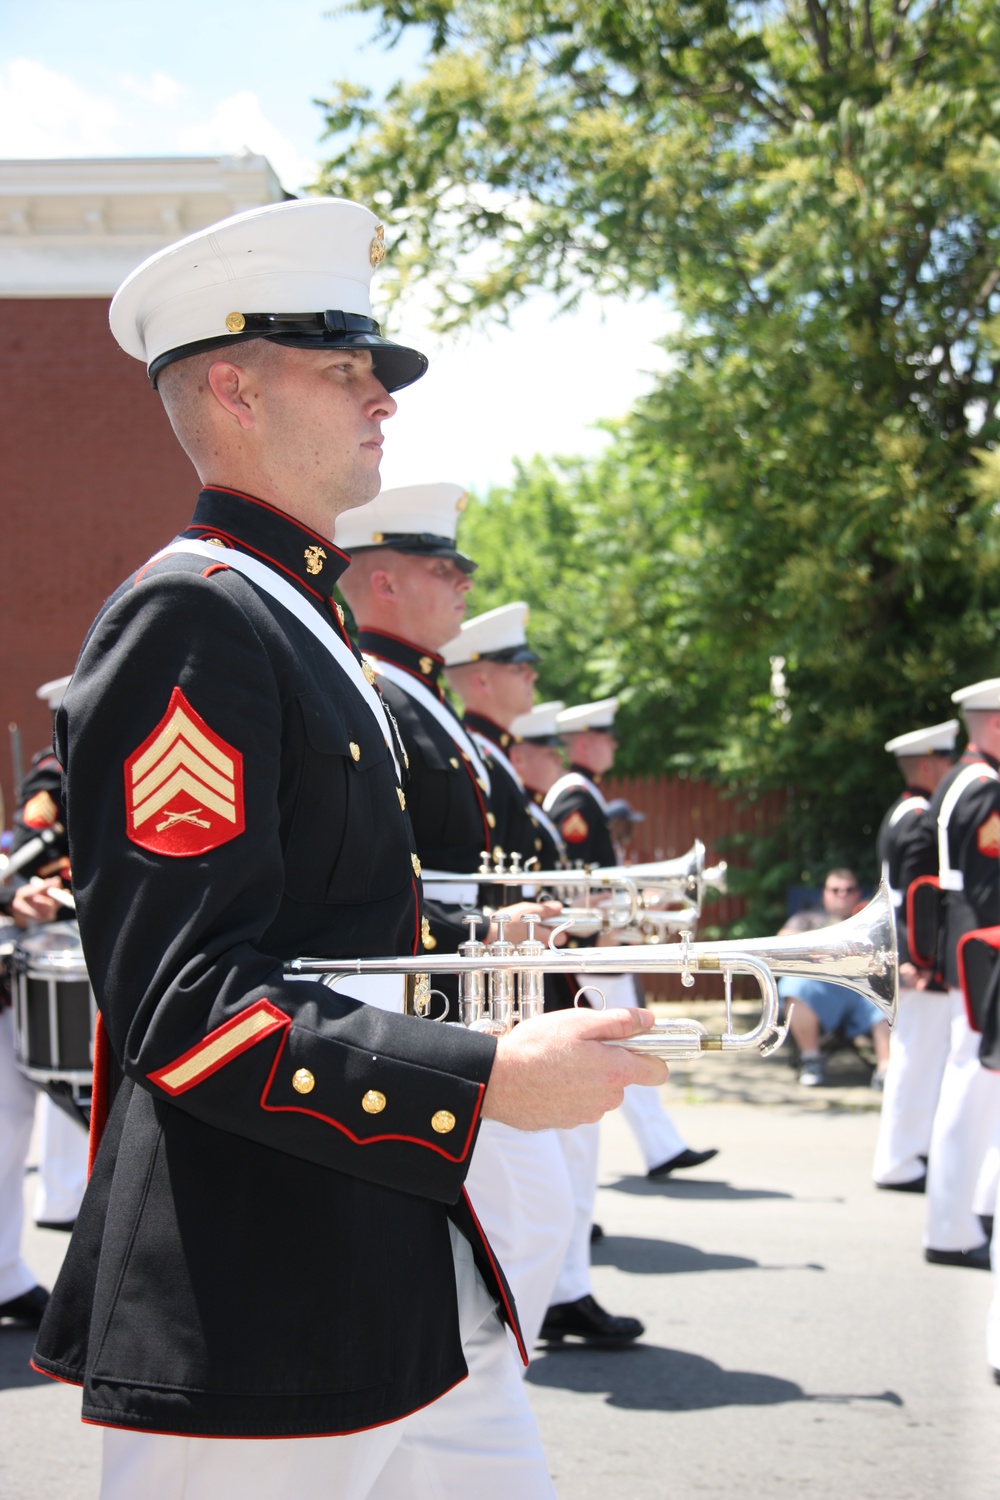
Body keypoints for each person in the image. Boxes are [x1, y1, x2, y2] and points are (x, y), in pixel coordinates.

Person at [30, 198, 667, 1500]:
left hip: (387, 1260)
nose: (383, 398)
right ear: (233, 388)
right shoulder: (191, 618)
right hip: (253, 1289)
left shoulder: (290, 619)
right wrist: (480, 1077)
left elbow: (356, 941)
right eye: (344, 369)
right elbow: (189, 1006)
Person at [336, 489, 575, 1352]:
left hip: (463, 987)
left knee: (531, 1221)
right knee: (526, 1221)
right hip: (428, 995)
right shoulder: (375, 692)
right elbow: (378, 870)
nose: (464, 586)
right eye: (447, 570)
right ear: (387, 581)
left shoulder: (418, 695)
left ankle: (462, 1404)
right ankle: (455, 1397)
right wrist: (485, 923)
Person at [898, 679, 1000, 1270]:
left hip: (965, 952)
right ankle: (954, 1228)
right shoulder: (985, 789)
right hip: (982, 954)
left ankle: (972, 1211)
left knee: (977, 1086)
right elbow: (989, 895)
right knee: (974, 1087)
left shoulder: (960, 781)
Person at [871, 720, 957, 1192]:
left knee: (915, 1057)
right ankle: (901, 1160)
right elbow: (917, 899)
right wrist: (918, 958)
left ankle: (905, 1155)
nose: (950, 768)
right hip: (914, 957)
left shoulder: (902, 811)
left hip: (903, 952)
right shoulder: (922, 815)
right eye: (945, 760)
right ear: (927, 764)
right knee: (917, 1058)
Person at [777, 868, 891, 1088]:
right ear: (824, 893)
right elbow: (782, 940)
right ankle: (811, 1060)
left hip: (862, 992)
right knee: (794, 986)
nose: (842, 895)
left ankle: (886, 1069)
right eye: (835, 890)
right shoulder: (807, 918)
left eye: (849, 890)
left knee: (888, 994)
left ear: (858, 893)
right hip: (823, 992)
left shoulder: (871, 920)